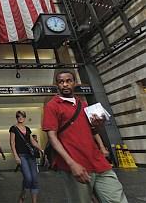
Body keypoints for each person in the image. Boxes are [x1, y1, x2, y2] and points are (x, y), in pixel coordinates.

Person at [42, 70, 127, 203]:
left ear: (74, 83)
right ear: (57, 85)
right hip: (75, 164)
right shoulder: (52, 106)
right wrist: (71, 164)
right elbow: (52, 137)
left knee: (117, 199)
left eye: (68, 81)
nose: (65, 84)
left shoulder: (84, 104)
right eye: (61, 82)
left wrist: (101, 142)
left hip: (99, 162)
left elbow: (93, 131)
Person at [9, 111, 44, 203]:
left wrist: (41, 149)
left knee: (35, 179)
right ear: (16, 118)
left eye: (22, 116)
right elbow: (12, 143)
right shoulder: (13, 128)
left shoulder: (27, 129)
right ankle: (23, 193)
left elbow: (32, 141)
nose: (20, 118)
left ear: (25, 118)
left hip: (30, 155)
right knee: (28, 178)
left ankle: (34, 201)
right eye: (18, 116)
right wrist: (16, 156)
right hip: (21, 155)